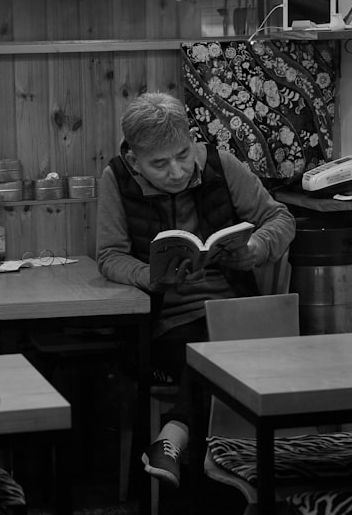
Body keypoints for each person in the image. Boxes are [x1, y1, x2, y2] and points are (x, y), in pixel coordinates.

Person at [95, 91, 296, 488]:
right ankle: (202, 462)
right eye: (160, 163)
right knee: (213, 351)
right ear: (135, 161)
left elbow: (279, 217)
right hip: (169, 324)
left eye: (183, 155)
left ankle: (172, 438)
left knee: (228, 343)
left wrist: (256, 248)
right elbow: (109, 256)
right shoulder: (116, 178)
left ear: (193, 142)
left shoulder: (222, 166)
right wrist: (149, 277)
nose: (176, 171)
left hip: (237, 311)